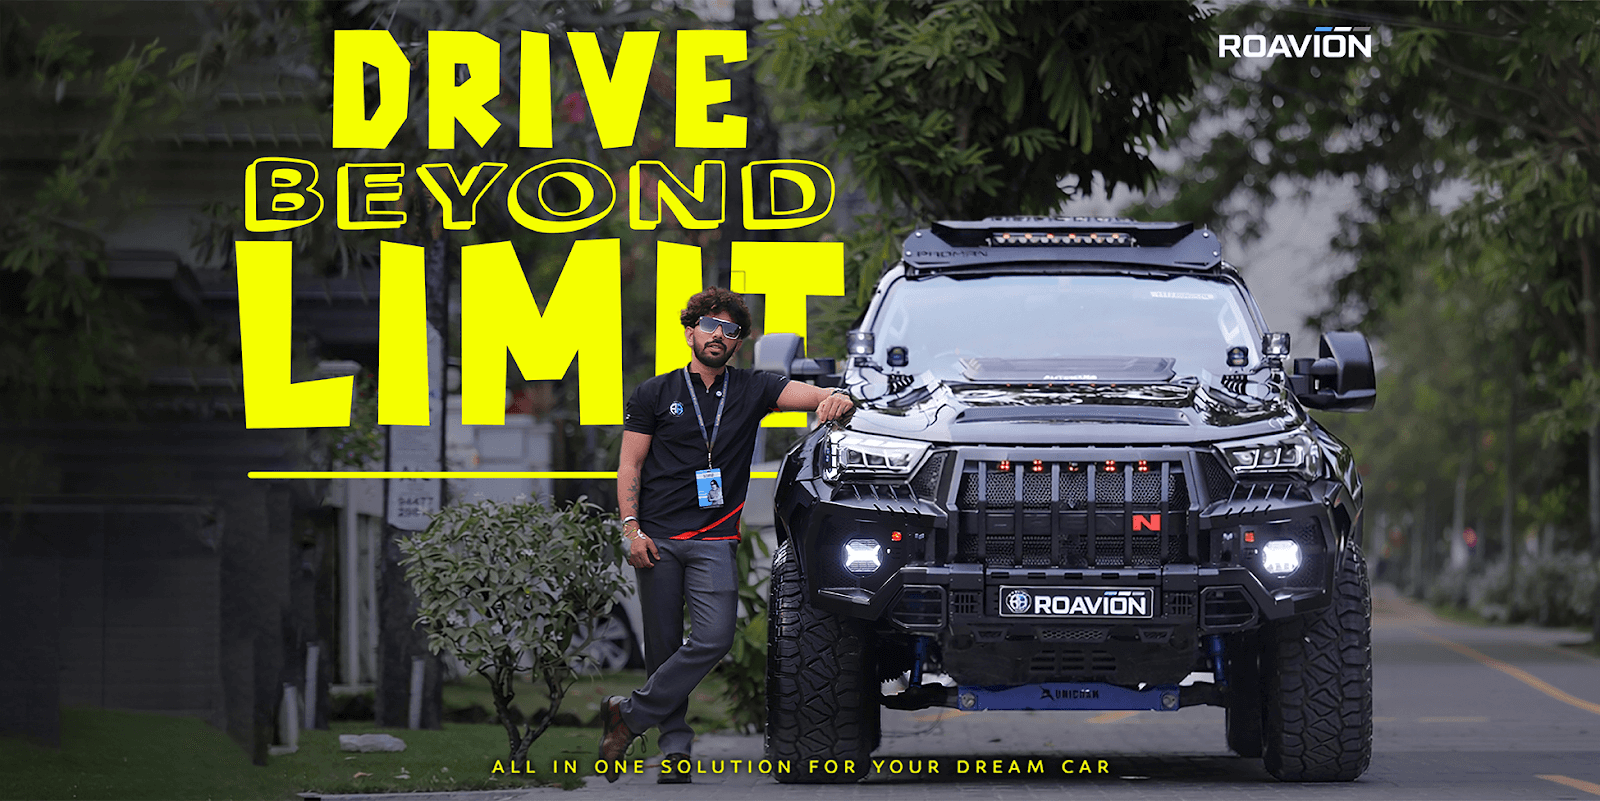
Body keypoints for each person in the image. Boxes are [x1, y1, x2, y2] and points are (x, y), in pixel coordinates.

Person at [599, 287, 854, 784]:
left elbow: (809, 396)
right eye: (709, 326)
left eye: (730, 329)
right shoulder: (655, 392)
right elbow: (629, 464)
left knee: (714, 638)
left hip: (715, 538)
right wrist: (630, 529)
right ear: (690, 331)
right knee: (663, 647)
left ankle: (627, 716)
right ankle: (674, 754)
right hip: (657, 540)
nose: (719, 336)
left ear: (739, 341)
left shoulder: (752, 388)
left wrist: (833, 397)